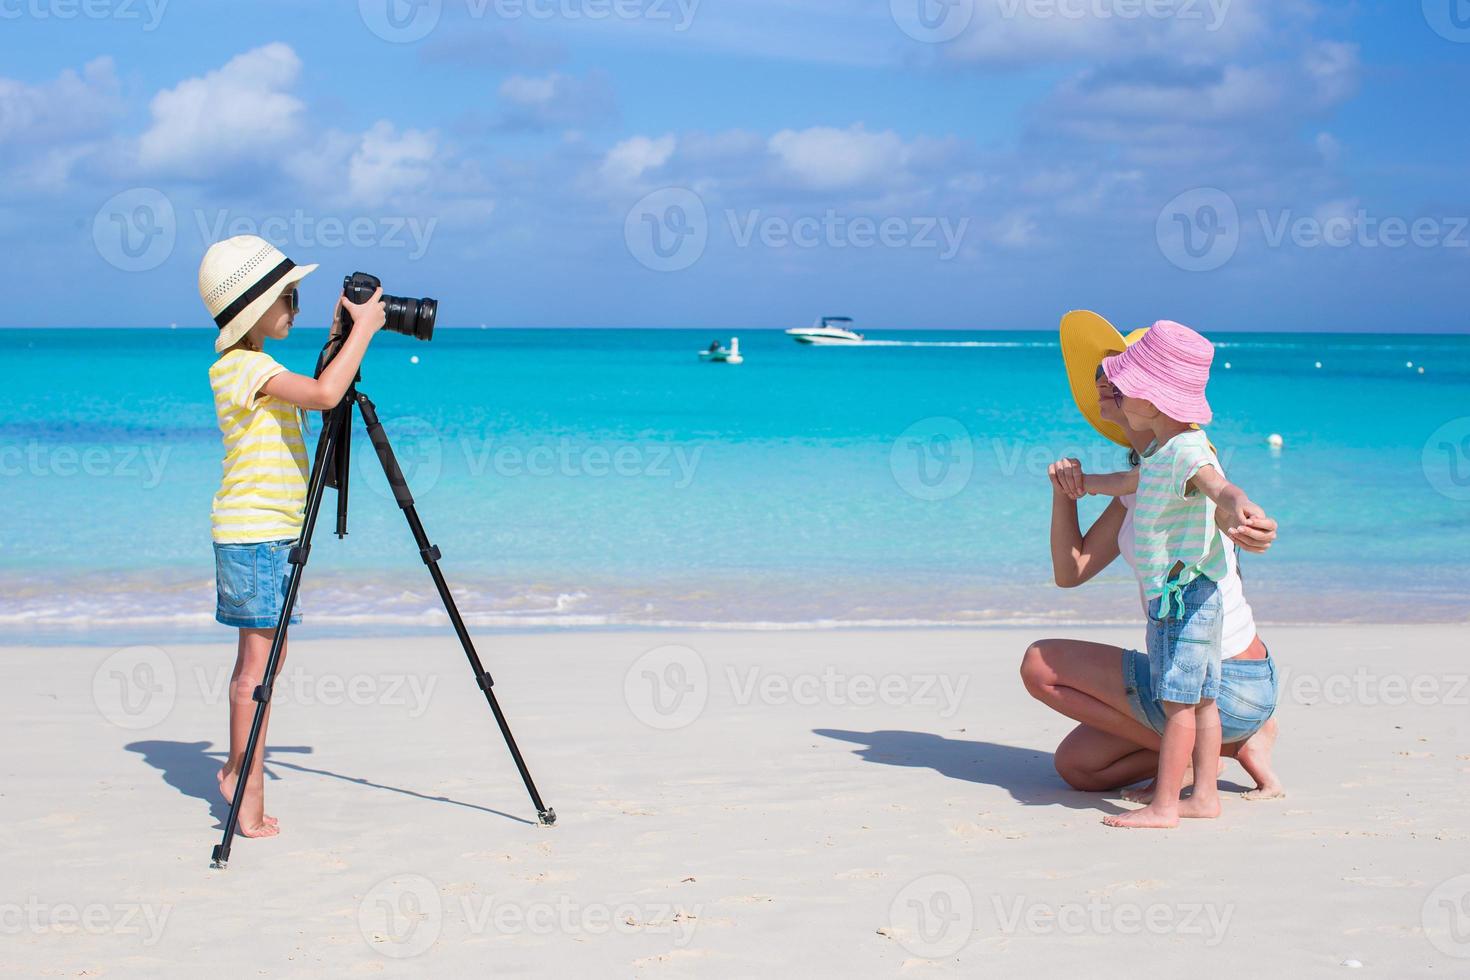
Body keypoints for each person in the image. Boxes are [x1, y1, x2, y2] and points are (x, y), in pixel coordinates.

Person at [1020, 313, 1285, 814]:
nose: (1104, 380)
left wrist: (1244, 518)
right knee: (1077, 768)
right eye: (1104, 372)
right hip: (1223, 683)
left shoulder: (1188, 454)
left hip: (1227, 681)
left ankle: (1220, 744)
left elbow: (1220, 492)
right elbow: (1070, 571)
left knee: (1040, 663)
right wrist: (1066, 493)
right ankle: (1205, 752)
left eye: (1116, 373)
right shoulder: (1146, 472)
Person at [199, 235, 385, 838]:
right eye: (290, 297)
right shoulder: (244, 369)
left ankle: (234, 768)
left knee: (264, 663)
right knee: (257, 671)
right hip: (254, 537)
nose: (296, 309)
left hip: (270, 535)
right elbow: (328, 394)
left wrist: (340, 333)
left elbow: (316, 392)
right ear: (256, 307)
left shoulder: (256, 367)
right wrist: (366, 331)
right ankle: (243, 791)